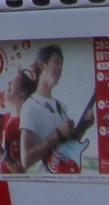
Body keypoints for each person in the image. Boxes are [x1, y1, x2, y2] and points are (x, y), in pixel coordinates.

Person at [17, 45, 86, 173]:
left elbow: (67, 147)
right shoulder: (30, 107)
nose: (60, 68)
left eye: (62, 65)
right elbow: (26, 161)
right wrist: (57, 134)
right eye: (56, 62)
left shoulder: (62, 106)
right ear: (42, 65)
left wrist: (84, 125)